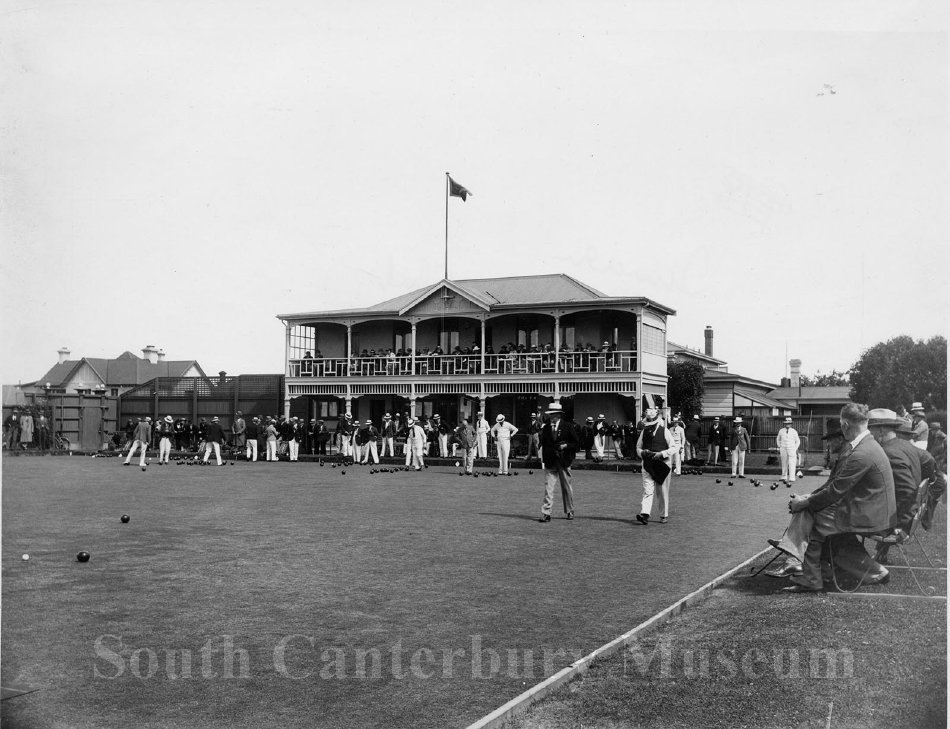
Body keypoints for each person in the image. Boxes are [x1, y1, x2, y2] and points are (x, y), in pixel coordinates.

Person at [778, 403, 895, 592]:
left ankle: (799, 562)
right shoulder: (867, 446)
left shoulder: (861, 453)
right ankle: (800, 562)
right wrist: (807, 500)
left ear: (845, 425)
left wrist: (804, 502)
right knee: (810, 513)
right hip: (873, 509)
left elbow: (835, 491)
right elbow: (837, 488)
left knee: (810, 515)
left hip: (871, 516)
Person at [867, 409, 921, 564]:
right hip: (907, 514)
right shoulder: (905, 445)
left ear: (881, 430)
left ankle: (853, 564)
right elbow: (928, 463)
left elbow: (908, 490)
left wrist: (900, 524)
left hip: (898, 522)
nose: (868, 434)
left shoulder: (887, 452)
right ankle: (878, 555)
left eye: (870, 430)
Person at [537, 402, 578, 522]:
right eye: (550, 414)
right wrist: (544, 460)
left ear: (559, 415)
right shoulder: (545, 428)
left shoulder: (568, 426)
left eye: (553, 414)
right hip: (550, 461)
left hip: (564, 461)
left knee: (566, 487)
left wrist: (566, 446)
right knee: (548, 488)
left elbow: (576, 443)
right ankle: (546, 512)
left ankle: (570, 510)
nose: (551, 417)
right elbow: (544, 445)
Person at [634, 408, 677, 524]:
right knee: (648, 490)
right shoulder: (644, 432)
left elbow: (673, 447)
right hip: (648, 464)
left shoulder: (665, 431)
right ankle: (645, 514)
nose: (649, 426)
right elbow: (638, 447)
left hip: (662, 465)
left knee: (662, 491)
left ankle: (663, 515)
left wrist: (661, 454)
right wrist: (642, 453)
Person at [776, 417, 801, 484]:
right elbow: (778, 439)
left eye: (789, 423)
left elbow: (798, 441)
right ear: (785, 424)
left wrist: (795, 448)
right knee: (784, 462)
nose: (787, 424)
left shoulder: (794, 431)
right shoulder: (781, 431)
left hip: (791, 448)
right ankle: (784, 476)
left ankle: (792, 477)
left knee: (792, 463)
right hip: (783, 448)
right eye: (786, 423)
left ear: (791, 424)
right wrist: (779, 446)